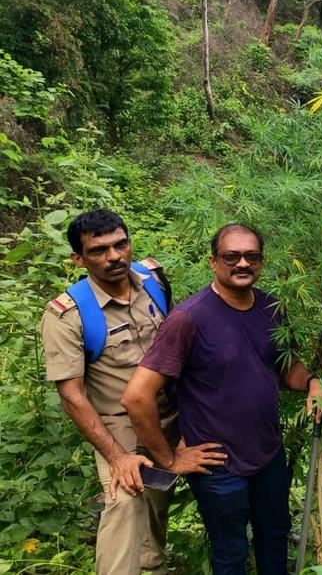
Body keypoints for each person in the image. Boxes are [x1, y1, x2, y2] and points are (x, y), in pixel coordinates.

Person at [122, 223, 322, 575]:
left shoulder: (271, 306)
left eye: (252, 256)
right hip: (218, 464)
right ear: (213, 262)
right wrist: (169, 459)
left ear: (261, 262)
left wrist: (312, 383)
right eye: (231, 256)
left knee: (274, 536)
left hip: (268, 453)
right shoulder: (189, 319)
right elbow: (136, 396)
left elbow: (285, 366)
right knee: (230, 551)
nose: (242, 263)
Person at [39, 209, 188, 575]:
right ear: (79, 258)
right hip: (118, 430)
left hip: (167, 420)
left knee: (155, 510)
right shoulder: (68, 314)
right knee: (125, 503)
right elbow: (72, 395)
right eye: (99, 250)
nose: (115, 257)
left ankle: (153, 567)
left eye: (121, 245)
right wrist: (117, 456)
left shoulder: (152, 279)